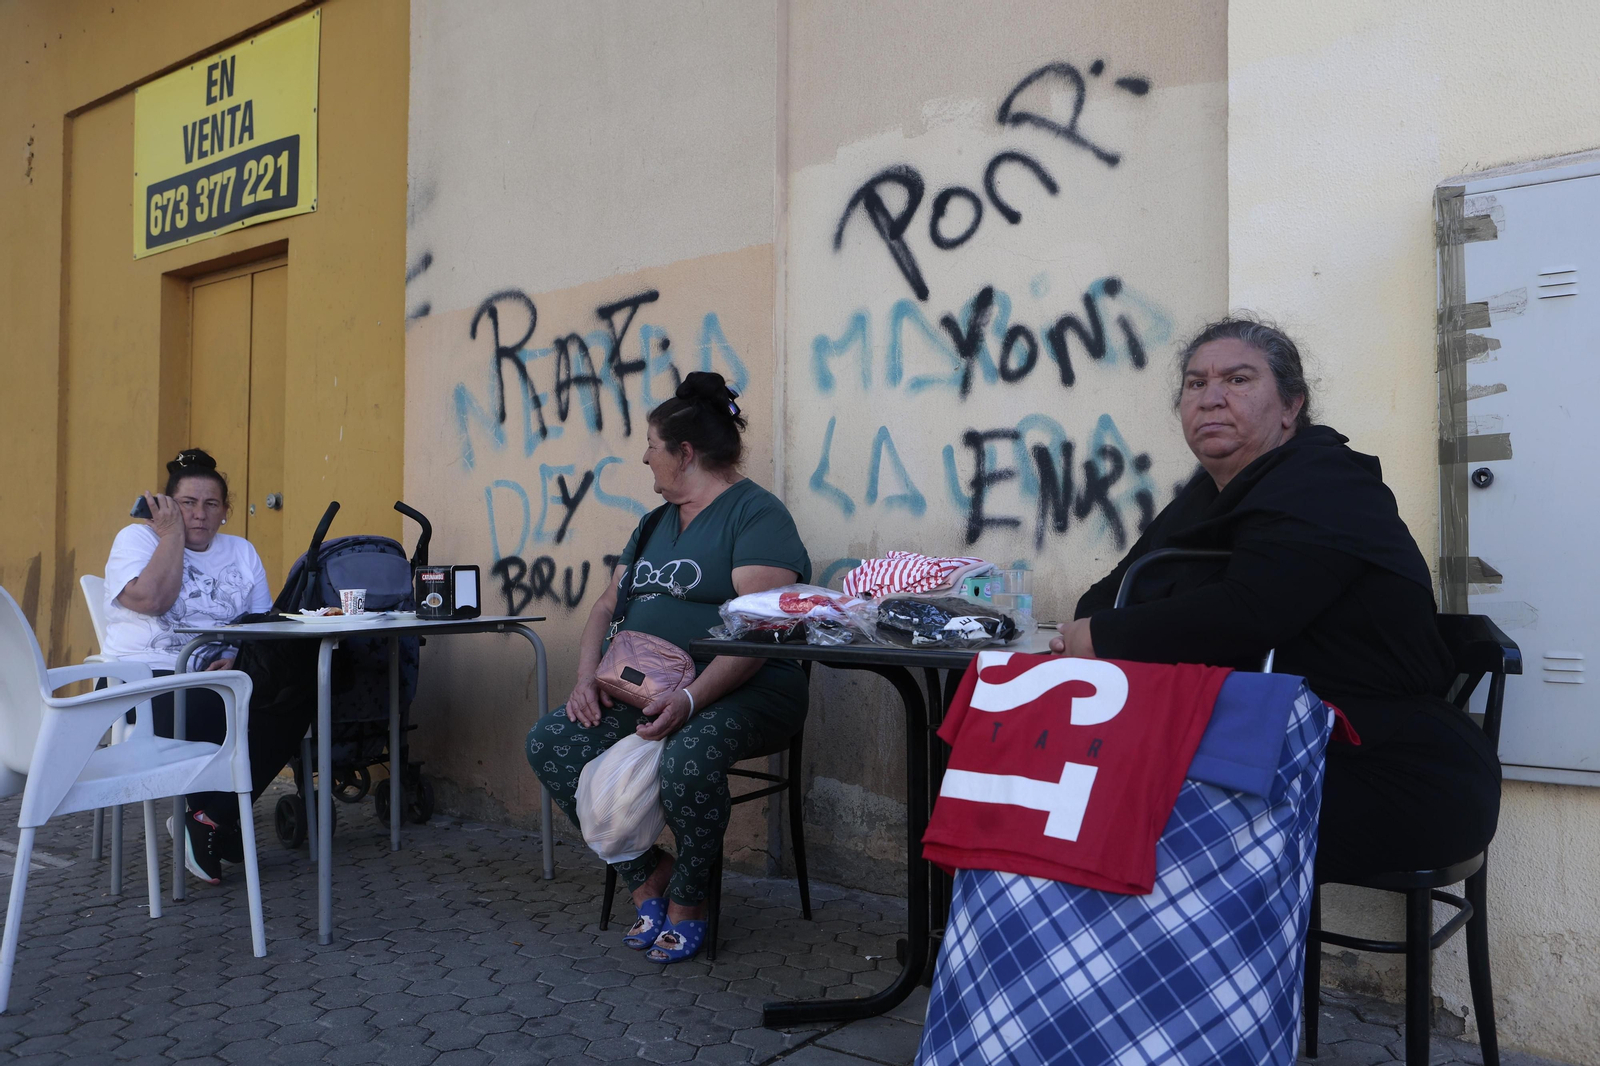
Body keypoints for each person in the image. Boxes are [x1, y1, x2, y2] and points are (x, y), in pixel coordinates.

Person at [1054, 318, 1500, 881]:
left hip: (1397, 771)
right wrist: (1098, 625)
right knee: (1073, 784)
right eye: (1195, 384)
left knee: (1117, 807)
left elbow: (1251, 614)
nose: (1212, 398)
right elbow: (1113, 592)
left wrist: (1103, 637)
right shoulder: (1210, 494)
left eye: (1238, 380)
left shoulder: (1325, 483)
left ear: (1291, 406)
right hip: (1270, 749)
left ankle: (1175, 970)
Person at [526, 372, 811, 963]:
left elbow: (759, 632)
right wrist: (585, 680)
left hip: (747, 689)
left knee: (688, 755)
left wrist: (689, 701)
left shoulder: (756, 515)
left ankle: (690, 900)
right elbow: (607, 606)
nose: (644, 459)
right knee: (551, 739)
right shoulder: (654, 523)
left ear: (685, 454)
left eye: (652, 447)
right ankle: (649, 877)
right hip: (644, 688)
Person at [102, 448, 315, 884]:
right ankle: (219, 818)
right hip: (146, 685)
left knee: (299, 695)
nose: (199, 514)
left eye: (211, 504)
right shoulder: (136, 540)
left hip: (222, 678)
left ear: (225, 512)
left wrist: (237, 655)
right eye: (187, 503)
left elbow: (259, 629)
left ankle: (207, 817)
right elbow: (153, 600)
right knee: (235, 712)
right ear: (164, 506)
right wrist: (170, 536)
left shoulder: (241, 551)